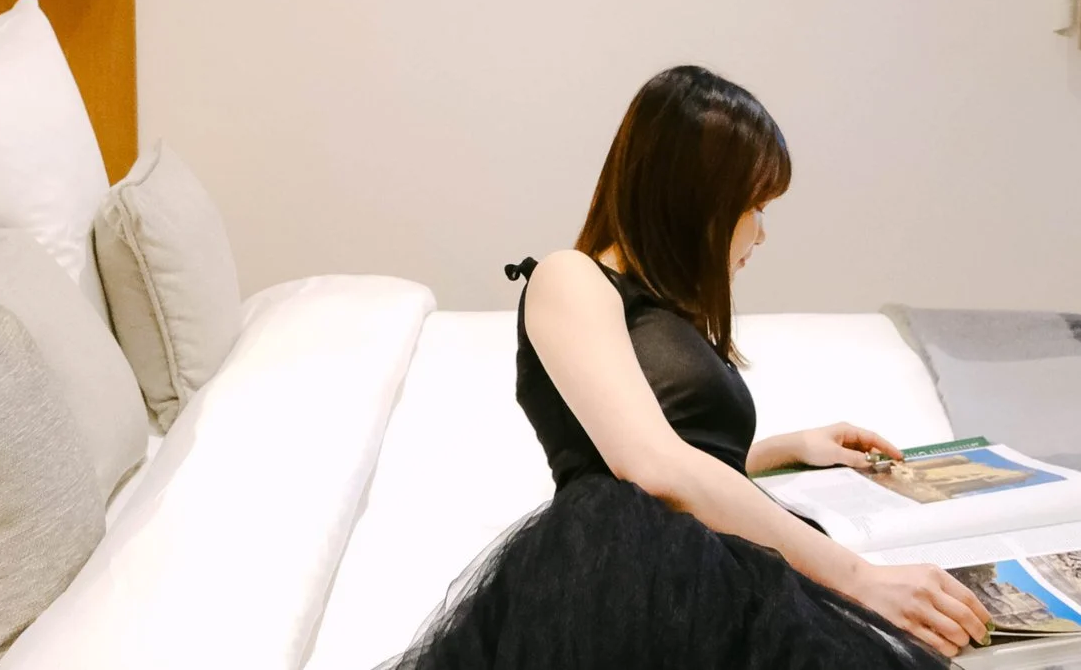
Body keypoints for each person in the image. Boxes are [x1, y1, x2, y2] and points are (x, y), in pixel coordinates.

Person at [388, 66, 991, 669]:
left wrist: (786, 448)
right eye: (754, 205)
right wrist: (858, 578)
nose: (761, 232)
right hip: (627, 573)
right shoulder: (568, 277)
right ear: (695, 198)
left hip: (681, 562)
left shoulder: (665, 313)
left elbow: (672, 455)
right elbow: (651, 468)